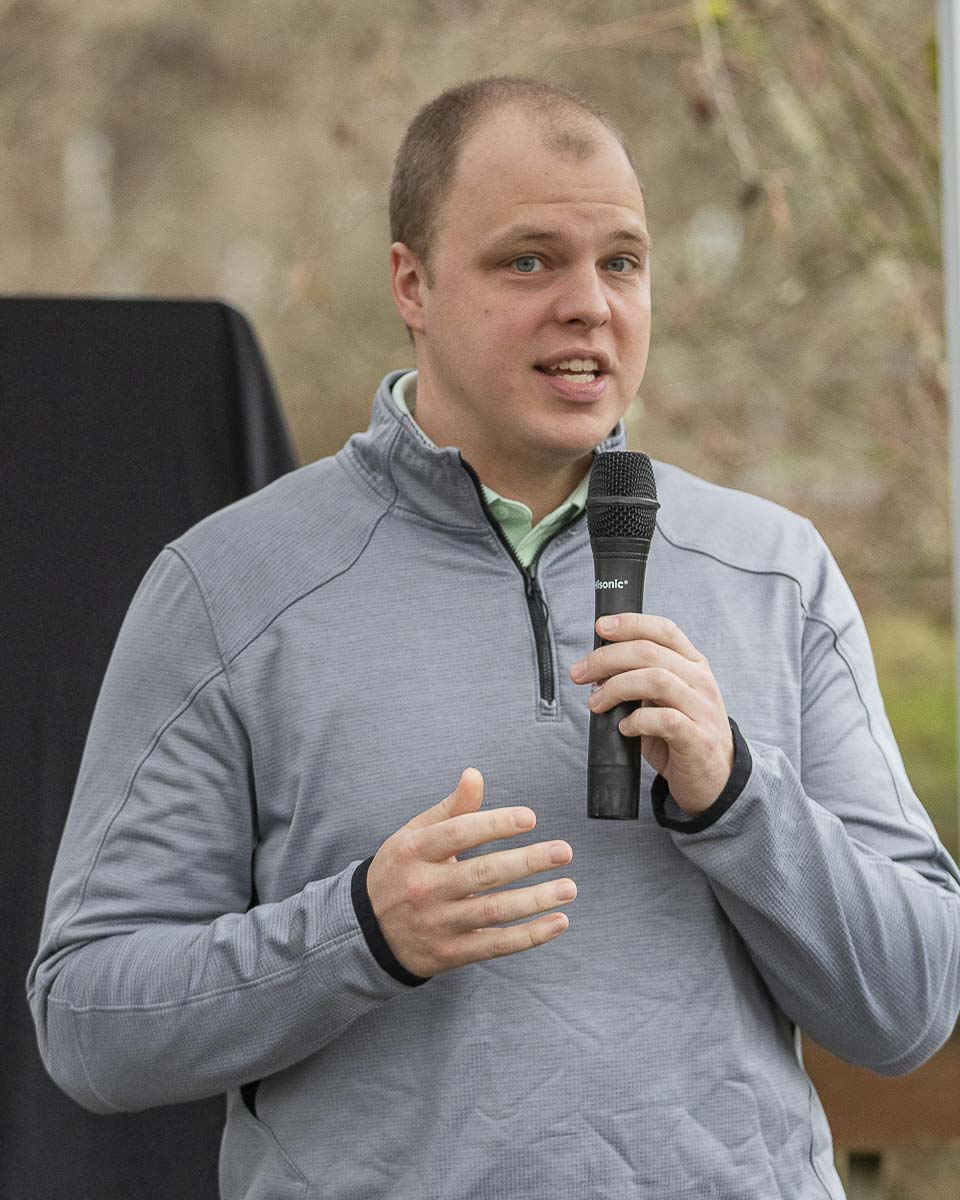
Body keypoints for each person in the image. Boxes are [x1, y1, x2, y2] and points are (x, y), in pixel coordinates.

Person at [27, 75, 960, 1200]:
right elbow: (87, 1022)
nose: (589, 305)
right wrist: (358, 933)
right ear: (410, 284)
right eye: (529, 260)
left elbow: (912, 1006)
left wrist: (738, 798)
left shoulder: (777, 572)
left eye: (621, 262)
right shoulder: (227, 587)